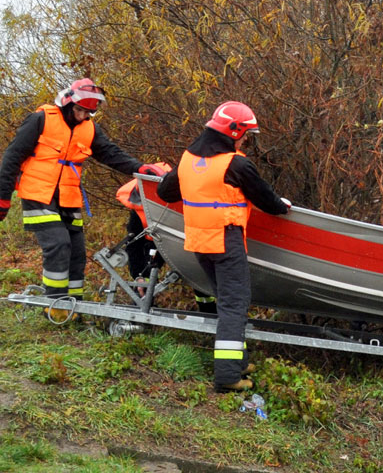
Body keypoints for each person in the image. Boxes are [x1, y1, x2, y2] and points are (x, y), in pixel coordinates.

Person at [156, 101, 290, 393]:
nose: (244, 140)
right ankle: (228, 375)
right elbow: (267, 200)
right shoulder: (236, 164)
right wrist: (282, 207)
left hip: (199, 241)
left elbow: (164, 190)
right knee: (235, 303)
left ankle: (237, 361)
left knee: (226, 299)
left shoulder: (189, 158)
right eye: (244, 134)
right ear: (233, 131)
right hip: (226, 240)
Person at [0, 78, 166, 309]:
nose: (83, 116)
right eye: (79, 110)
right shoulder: (40, 119)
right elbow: (12, 157)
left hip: (68, 197)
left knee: (77, 253)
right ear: (68, 104)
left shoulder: (89, 128)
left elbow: (110, 154)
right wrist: (3, 197)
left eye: (88, 112)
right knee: (58, 245)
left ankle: (74, 305)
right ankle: (56, 306)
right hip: (37, 193)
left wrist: (139, 168)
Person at [115, 164, 217, 312]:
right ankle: (141, 310)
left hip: (187, 241)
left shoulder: (185, 195)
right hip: (154, 242)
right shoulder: (139, 203)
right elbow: (134, 243)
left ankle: (210, 312)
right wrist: (138, 276)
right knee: (144, 277)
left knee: (197, 273)